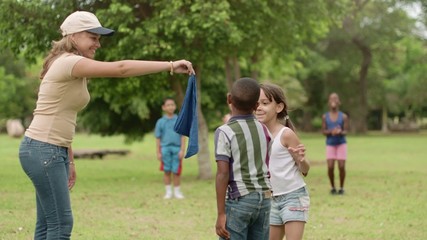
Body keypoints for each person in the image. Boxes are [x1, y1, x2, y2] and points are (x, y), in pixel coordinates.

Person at [18, 11, 194, 240]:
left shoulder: (68, 65)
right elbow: (121, 69)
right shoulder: (70, 63)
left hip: (51, 149)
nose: (98, 44)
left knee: (47, 225)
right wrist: (170, 65)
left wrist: (68, 158)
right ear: (73, 37)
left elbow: (61, 117)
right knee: (61, 225)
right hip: (43, 149)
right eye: (93, 37)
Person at [214, 78, 272, 240]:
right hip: (265, 199)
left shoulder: (225, 131)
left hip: (240, 199)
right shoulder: (264, 129)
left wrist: (221, 213)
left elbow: (222, 174)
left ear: (229, 99)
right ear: (256, 106)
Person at [256, 83, 310, 240]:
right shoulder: (255, 135)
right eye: (256, 104)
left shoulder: (286, 135)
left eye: (265, 103)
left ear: (279, 107)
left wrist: (302, 160)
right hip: (269, 199)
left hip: (293, 196)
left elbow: (305, 170)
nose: (259, 107)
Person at [155, 97, 186, 199]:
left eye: (172, 105)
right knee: (167, 170)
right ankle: (168, 192)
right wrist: (158, 152)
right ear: (164, 107)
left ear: (175, 106)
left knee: (176, 171)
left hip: (177, 148)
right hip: (165, 149)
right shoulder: (160, 122)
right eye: (168, 105)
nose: (170, 107)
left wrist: (182, 149)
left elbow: (182, 136)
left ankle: (177, 192)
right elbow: (158, 138)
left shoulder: (179, 120)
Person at [321, 92, 349, 195]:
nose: (333, 101)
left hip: (341, 143)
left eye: (335, 99)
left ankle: (341, 188)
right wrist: (331, 132)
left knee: (341, 166)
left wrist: (340, 131)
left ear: (339, 102)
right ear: (329, 102)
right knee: (330, 166)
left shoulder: (344, 116)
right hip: (330, 144)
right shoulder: (325, 116)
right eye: (331, 99)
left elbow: (346, 131)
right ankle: (333, 187)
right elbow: (323, 131)